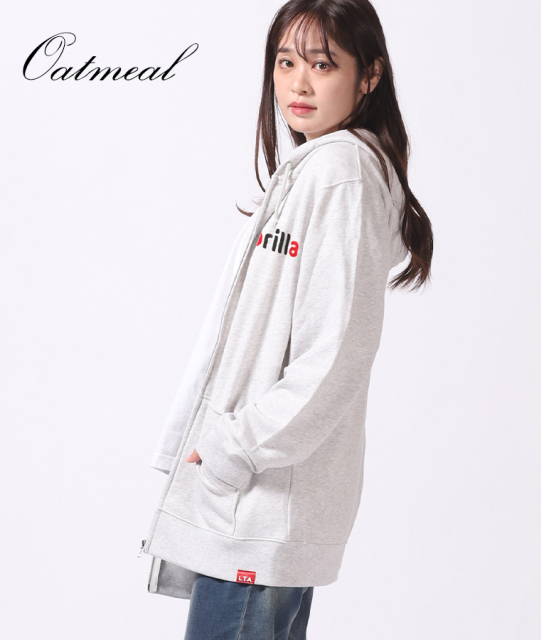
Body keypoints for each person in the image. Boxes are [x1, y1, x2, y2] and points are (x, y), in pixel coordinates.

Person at [140, 1, 433, 638]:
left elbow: (335, 357)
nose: (299, 83)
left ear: (369, 75)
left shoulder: (340, 174)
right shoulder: (315, 170)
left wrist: (232, 446)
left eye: (323, 65)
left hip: (260, 508)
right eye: (285, 62)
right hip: (256, 509)